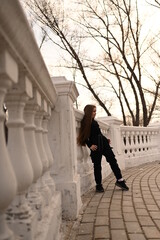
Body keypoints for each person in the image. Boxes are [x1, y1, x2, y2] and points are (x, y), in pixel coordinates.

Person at [77, 104, 129, 192]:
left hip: (104, 144)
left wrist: (106, 140)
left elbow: (99, 134)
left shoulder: (94, 121)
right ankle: (99, 185)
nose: (95, 113)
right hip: (96, 147)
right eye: (93, 111)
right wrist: (90, 145)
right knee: (97, 166)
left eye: (95, 111)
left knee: (113, 161)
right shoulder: (86, 122)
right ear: (89, 112)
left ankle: (120, 180)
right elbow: (83, 136)